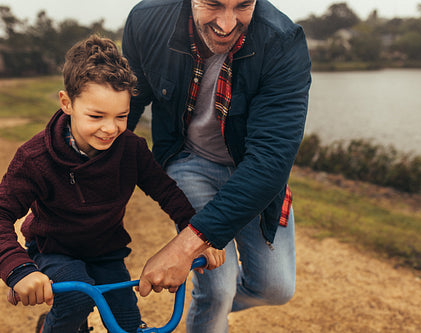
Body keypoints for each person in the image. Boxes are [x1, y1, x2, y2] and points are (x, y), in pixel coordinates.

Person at [0, 34, 224, 333]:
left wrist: (200, 236)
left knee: (127, 324)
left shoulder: (130, 148)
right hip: (54, 250)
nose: (110, 128)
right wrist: (18, 269)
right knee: (76, 299)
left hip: (106, 251)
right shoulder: (35, 157)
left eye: (122, 116)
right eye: (96, 116)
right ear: (67, 103)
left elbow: (167, 192)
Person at [123, 0, 311, 331]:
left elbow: (271, 159)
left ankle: (209, 305)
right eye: (213, 4)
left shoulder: (283, 40)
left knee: (276, 288)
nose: (226, 24)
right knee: (219, 288)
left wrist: (182, 250)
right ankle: (212, 302)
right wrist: (67, 170)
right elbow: (125, 103)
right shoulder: (146, 20)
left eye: (242, 5)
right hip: (188, 161)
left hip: (251, 171)